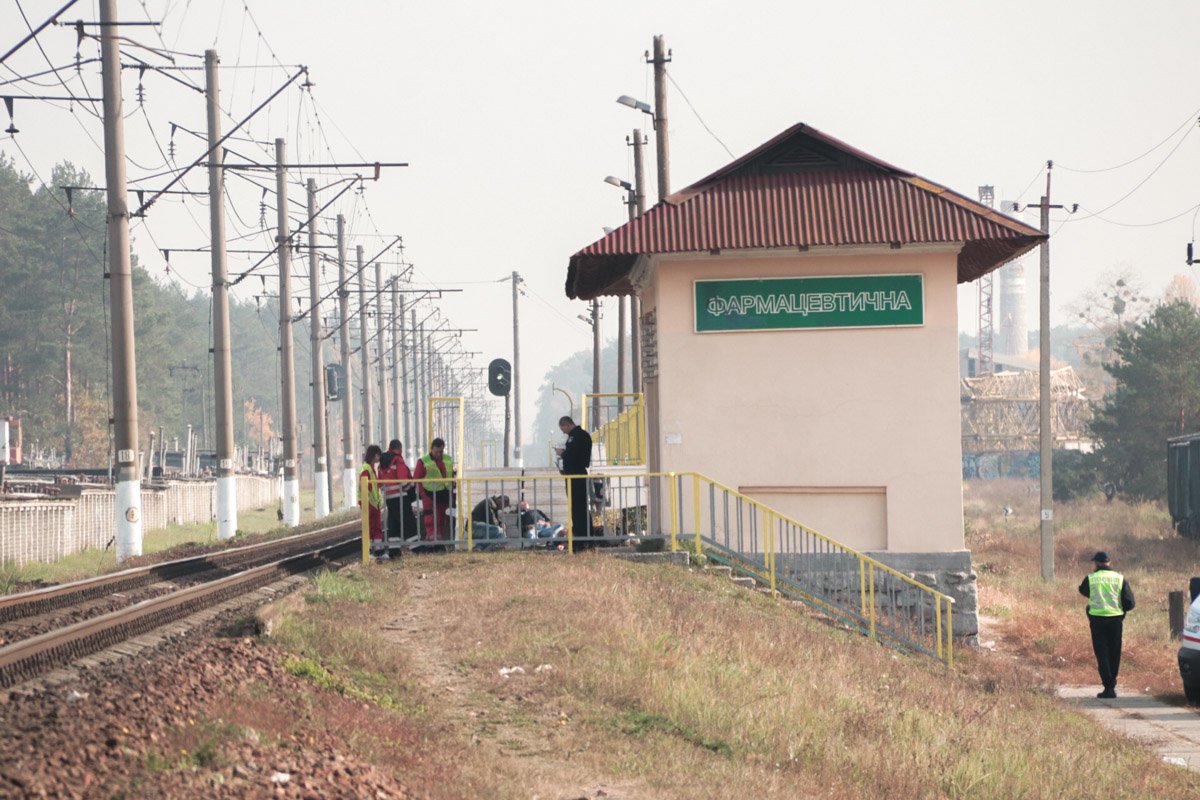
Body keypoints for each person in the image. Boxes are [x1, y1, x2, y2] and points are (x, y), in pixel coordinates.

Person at [1078, 550, 1135, 698]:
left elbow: (1082, 590)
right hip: (1116, 621)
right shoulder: (1120, 579)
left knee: (1101, 653)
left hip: (1097, 621)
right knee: (1114, 652)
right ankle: (1111, 684)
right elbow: (1130, 603)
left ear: (1096, 564)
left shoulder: (1091, 578)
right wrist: (1121, 611)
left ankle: (1108, 686)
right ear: (1109, 562)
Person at [555, 416, 592, 544]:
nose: (563, 432)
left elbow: (573, 456)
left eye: (563, 429)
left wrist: (562, 453)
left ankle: (582, 538)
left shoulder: (577, 436)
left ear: (567, 424)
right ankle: (583, 536)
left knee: (578, 509)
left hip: (577, 477)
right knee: (578, 508)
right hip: (574, 475)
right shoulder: (579, 436)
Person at [414, 437, 455, 542]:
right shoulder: (423, 461)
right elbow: (417, 479)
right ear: (431, 449)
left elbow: (451, 475)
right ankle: (431, 537)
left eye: (441, 451)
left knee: (441, 516)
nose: (438, 454)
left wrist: (451, 491)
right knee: (430, 516)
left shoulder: (448, 459)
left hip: (443, 492)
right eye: (436, 452)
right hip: (428, 493)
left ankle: (438, 537)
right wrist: (422, 494)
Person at [379, 439, 416, 544]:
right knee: (408, 521)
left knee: (393, 523)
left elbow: (380, 482)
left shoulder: (382, 462)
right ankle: (416, 546)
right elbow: (403, 481)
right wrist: (410, 488)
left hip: (388, 498)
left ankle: (393, 549)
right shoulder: (398, 460)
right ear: (399, 448)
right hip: (400, 496)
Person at [358, 445, 386, 559]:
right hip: (368, 502)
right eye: (379, 455)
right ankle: (368, 552)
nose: (379, 458)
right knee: (369, 527)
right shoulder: (366, 468)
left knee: (376, 527)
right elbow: (365, 486)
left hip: (374, 503)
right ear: (374, 455)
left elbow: (376, 485)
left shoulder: (371, 468)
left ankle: (379, 551)